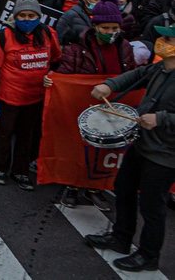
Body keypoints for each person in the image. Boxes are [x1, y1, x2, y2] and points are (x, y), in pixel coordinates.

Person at [85, 25, 175, 272]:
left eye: (168, 38)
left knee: (152, 206)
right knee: (123, 189)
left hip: (166, 153)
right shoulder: (160, 67)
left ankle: (149, 255)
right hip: (143, 143)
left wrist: (162, 118)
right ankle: (121, 238)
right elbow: (137, 76)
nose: (160, 42)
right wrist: (109, 85)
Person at [49, 0, 138, 210]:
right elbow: (65, 75)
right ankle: (72, 186)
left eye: (114, 27)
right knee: (78, 147)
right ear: (95, 26)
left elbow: (133, 74)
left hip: (111, 106)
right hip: (82, 106)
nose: (110, 32)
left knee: (105, 147)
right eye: (105, 27)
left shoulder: (124, 48)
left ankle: (95, 188)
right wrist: (54, 80)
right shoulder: (76, 49)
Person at [0, 0, 62, 190]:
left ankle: (21, 171)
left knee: (26, 136)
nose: (27, 20)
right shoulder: (4, 36)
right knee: (5, 134)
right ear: (15, 17)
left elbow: (56, 60)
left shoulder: (48, 34)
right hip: (9, 96)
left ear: (39, 17)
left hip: (35, 97)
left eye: (31, 16)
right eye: (22, 16)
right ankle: (2, 168)